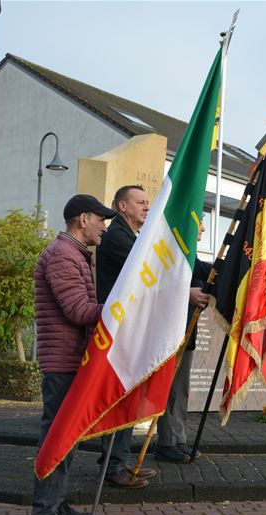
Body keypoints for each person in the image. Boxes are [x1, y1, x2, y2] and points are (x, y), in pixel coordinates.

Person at [30, 194, 116, 515]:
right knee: (57, 435)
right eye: (100, 219)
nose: (104, 226)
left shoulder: (74, 254)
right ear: (82, 219)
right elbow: (79, 311)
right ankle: (44, 511)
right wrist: (121, 307)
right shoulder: (63, 255)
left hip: (68, 359)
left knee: (63, 436)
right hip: (62, 362)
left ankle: (54, 504)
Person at [94, 185, 154, 489]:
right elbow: (151, 269)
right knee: (119, 397)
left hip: (131, 329)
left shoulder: (134, 236)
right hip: (119, 332)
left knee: (128, 397)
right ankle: (112, 465)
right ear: (122, 206)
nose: (146, 206)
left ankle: (120, 460)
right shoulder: (118, 237)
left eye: (148, 202)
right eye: (140, 202)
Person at [155, 216, 211, 463]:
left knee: (181, 390)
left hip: (187, 334)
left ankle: (178, 439)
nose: (203, 228)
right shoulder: (171, 253)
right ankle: (166, 442)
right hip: (172, 333)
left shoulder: (192, 258)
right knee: (170, 390)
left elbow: (207, 273)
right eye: (199, 222)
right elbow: (160, 286)